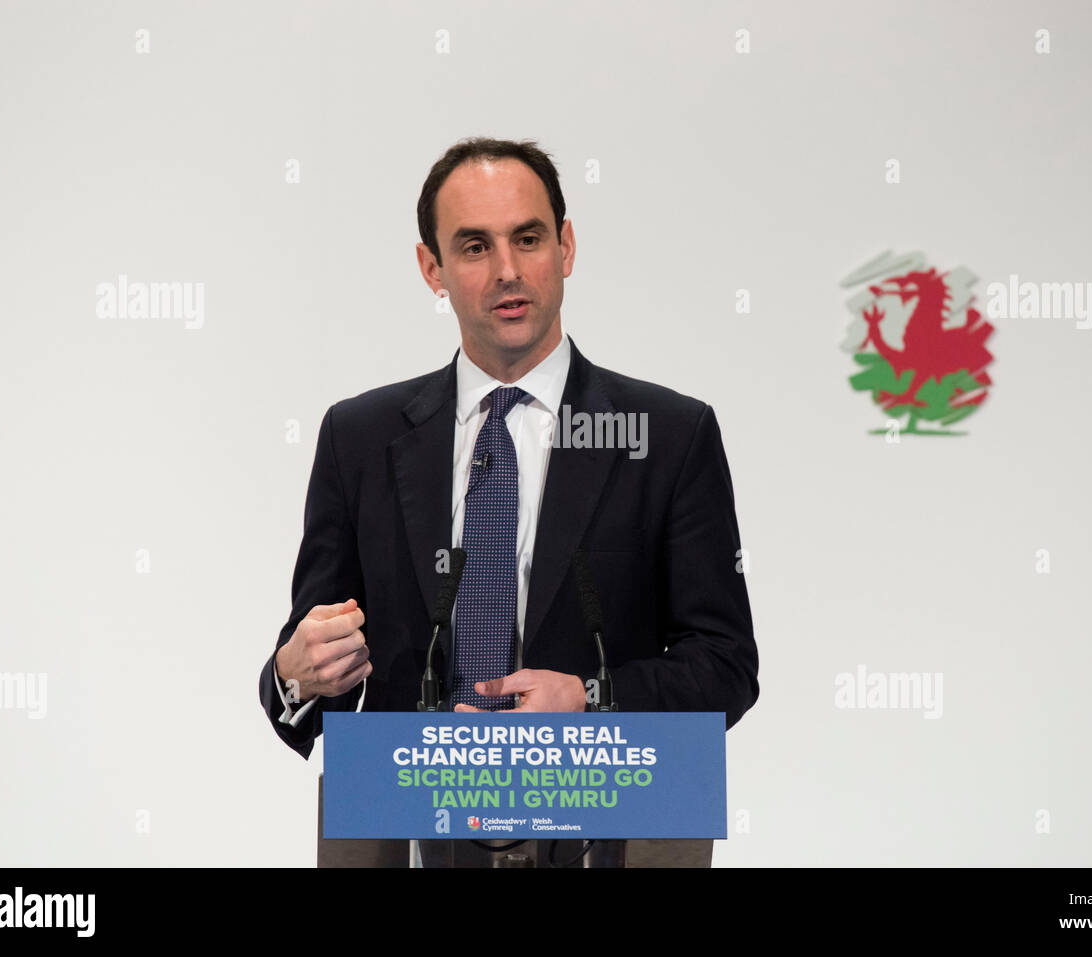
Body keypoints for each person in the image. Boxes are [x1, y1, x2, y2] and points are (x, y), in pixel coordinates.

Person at [258, 137, 758, 773]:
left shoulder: (667, 435)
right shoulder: (358, 439)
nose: (508, 271)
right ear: (431, 268)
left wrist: (591, 701)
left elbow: (725, 664)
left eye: (528, 239)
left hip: (596, 824)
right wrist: (296, 676)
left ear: (566, 246)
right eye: (474, 247)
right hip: (412, 827)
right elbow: (316, 659)